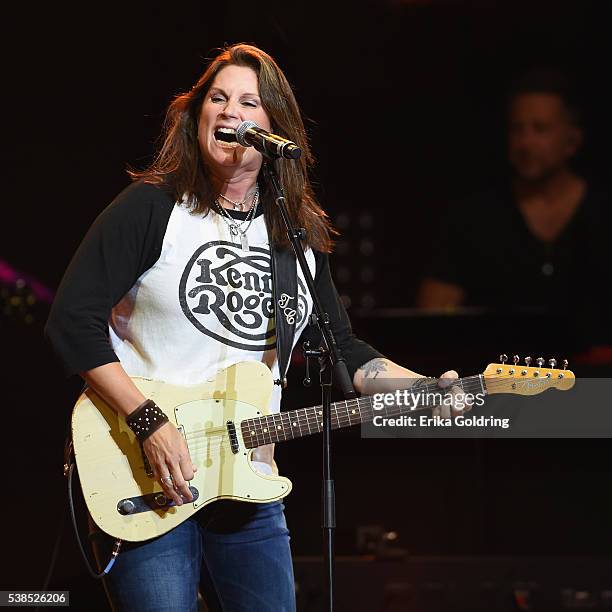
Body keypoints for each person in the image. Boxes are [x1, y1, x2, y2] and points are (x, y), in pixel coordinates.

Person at [45, 44, 469, 612]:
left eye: (247, 102)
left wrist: (421, 390)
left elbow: (341, 350)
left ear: (273, 128)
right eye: (216, 99)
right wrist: (147, 419)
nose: (227, 112)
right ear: (196, 115)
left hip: (250, 479)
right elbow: (71, 320)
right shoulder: (152, 208)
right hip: (149, 471)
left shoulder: (293, 239)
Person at [416, 69, 611, 347]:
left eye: (540, 129)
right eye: (517, 129)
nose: (526, 142)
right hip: (502, 381)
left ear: (572, 140)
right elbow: (431, 318)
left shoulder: (603, 212)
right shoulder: (474, 218)